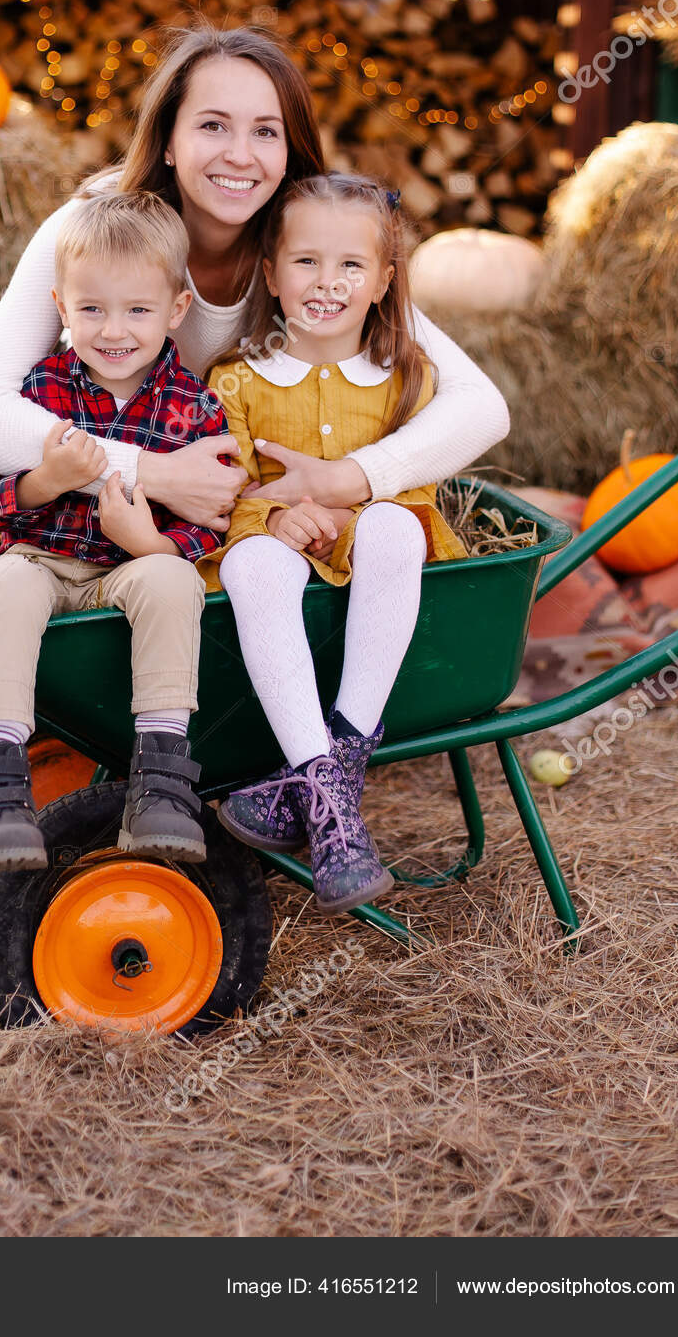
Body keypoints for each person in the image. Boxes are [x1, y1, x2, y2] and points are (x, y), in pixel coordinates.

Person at [0, 23, 510, 541]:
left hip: (257, 528)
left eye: (266, 132)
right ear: (168, 140)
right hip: (101, 529)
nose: (240, 156)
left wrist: (351, 478)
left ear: (290, 152)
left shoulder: (312, 253)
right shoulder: (96, 231)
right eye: (213, 126)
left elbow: (481, 405)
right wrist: (151, 473)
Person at [199, 171, 495, 914]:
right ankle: (326, 783)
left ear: (383, 281)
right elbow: (225, 493)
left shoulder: (407, 380)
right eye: (305, 262)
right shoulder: (236, 380)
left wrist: (348, 493)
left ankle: (321, 781)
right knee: (253, 560)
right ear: (269, 272)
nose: (325, 283)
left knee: (397, 521)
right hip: (281, 563)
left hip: (377, 557)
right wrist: (269, 518)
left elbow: (414, 490)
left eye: (350, 266)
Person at [0, 189, 229, 875]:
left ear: (175, 310)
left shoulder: (194, 407)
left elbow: (213, 520)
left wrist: (153, 545)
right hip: (44, 558)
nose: (114, 330)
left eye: (137, 310)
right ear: (60, 310)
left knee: (171, 578)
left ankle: (162, 784)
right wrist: (44, 481)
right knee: (5, 584)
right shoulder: (37, 392)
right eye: (91, 309)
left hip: (126, 571)